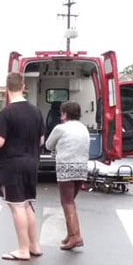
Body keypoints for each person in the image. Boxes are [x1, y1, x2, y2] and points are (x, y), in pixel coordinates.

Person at [0, 72, 45, 261]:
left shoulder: (6, 113)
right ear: (23, 87)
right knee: (27, 204)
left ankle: (22, 249)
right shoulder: (35, 111)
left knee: (17, 206)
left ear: (7, 88)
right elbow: (41, 139)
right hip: (32, 162)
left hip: (11, 165)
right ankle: (34, 245)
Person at [45, 101, 89, 250]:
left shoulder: (60, 128)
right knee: (71, 201)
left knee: (67, 202)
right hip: (82, 168)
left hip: (66, 168)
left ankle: (76, 236)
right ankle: (71, 234)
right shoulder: (83, 128)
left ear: (64, 114)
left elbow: (48, 145)